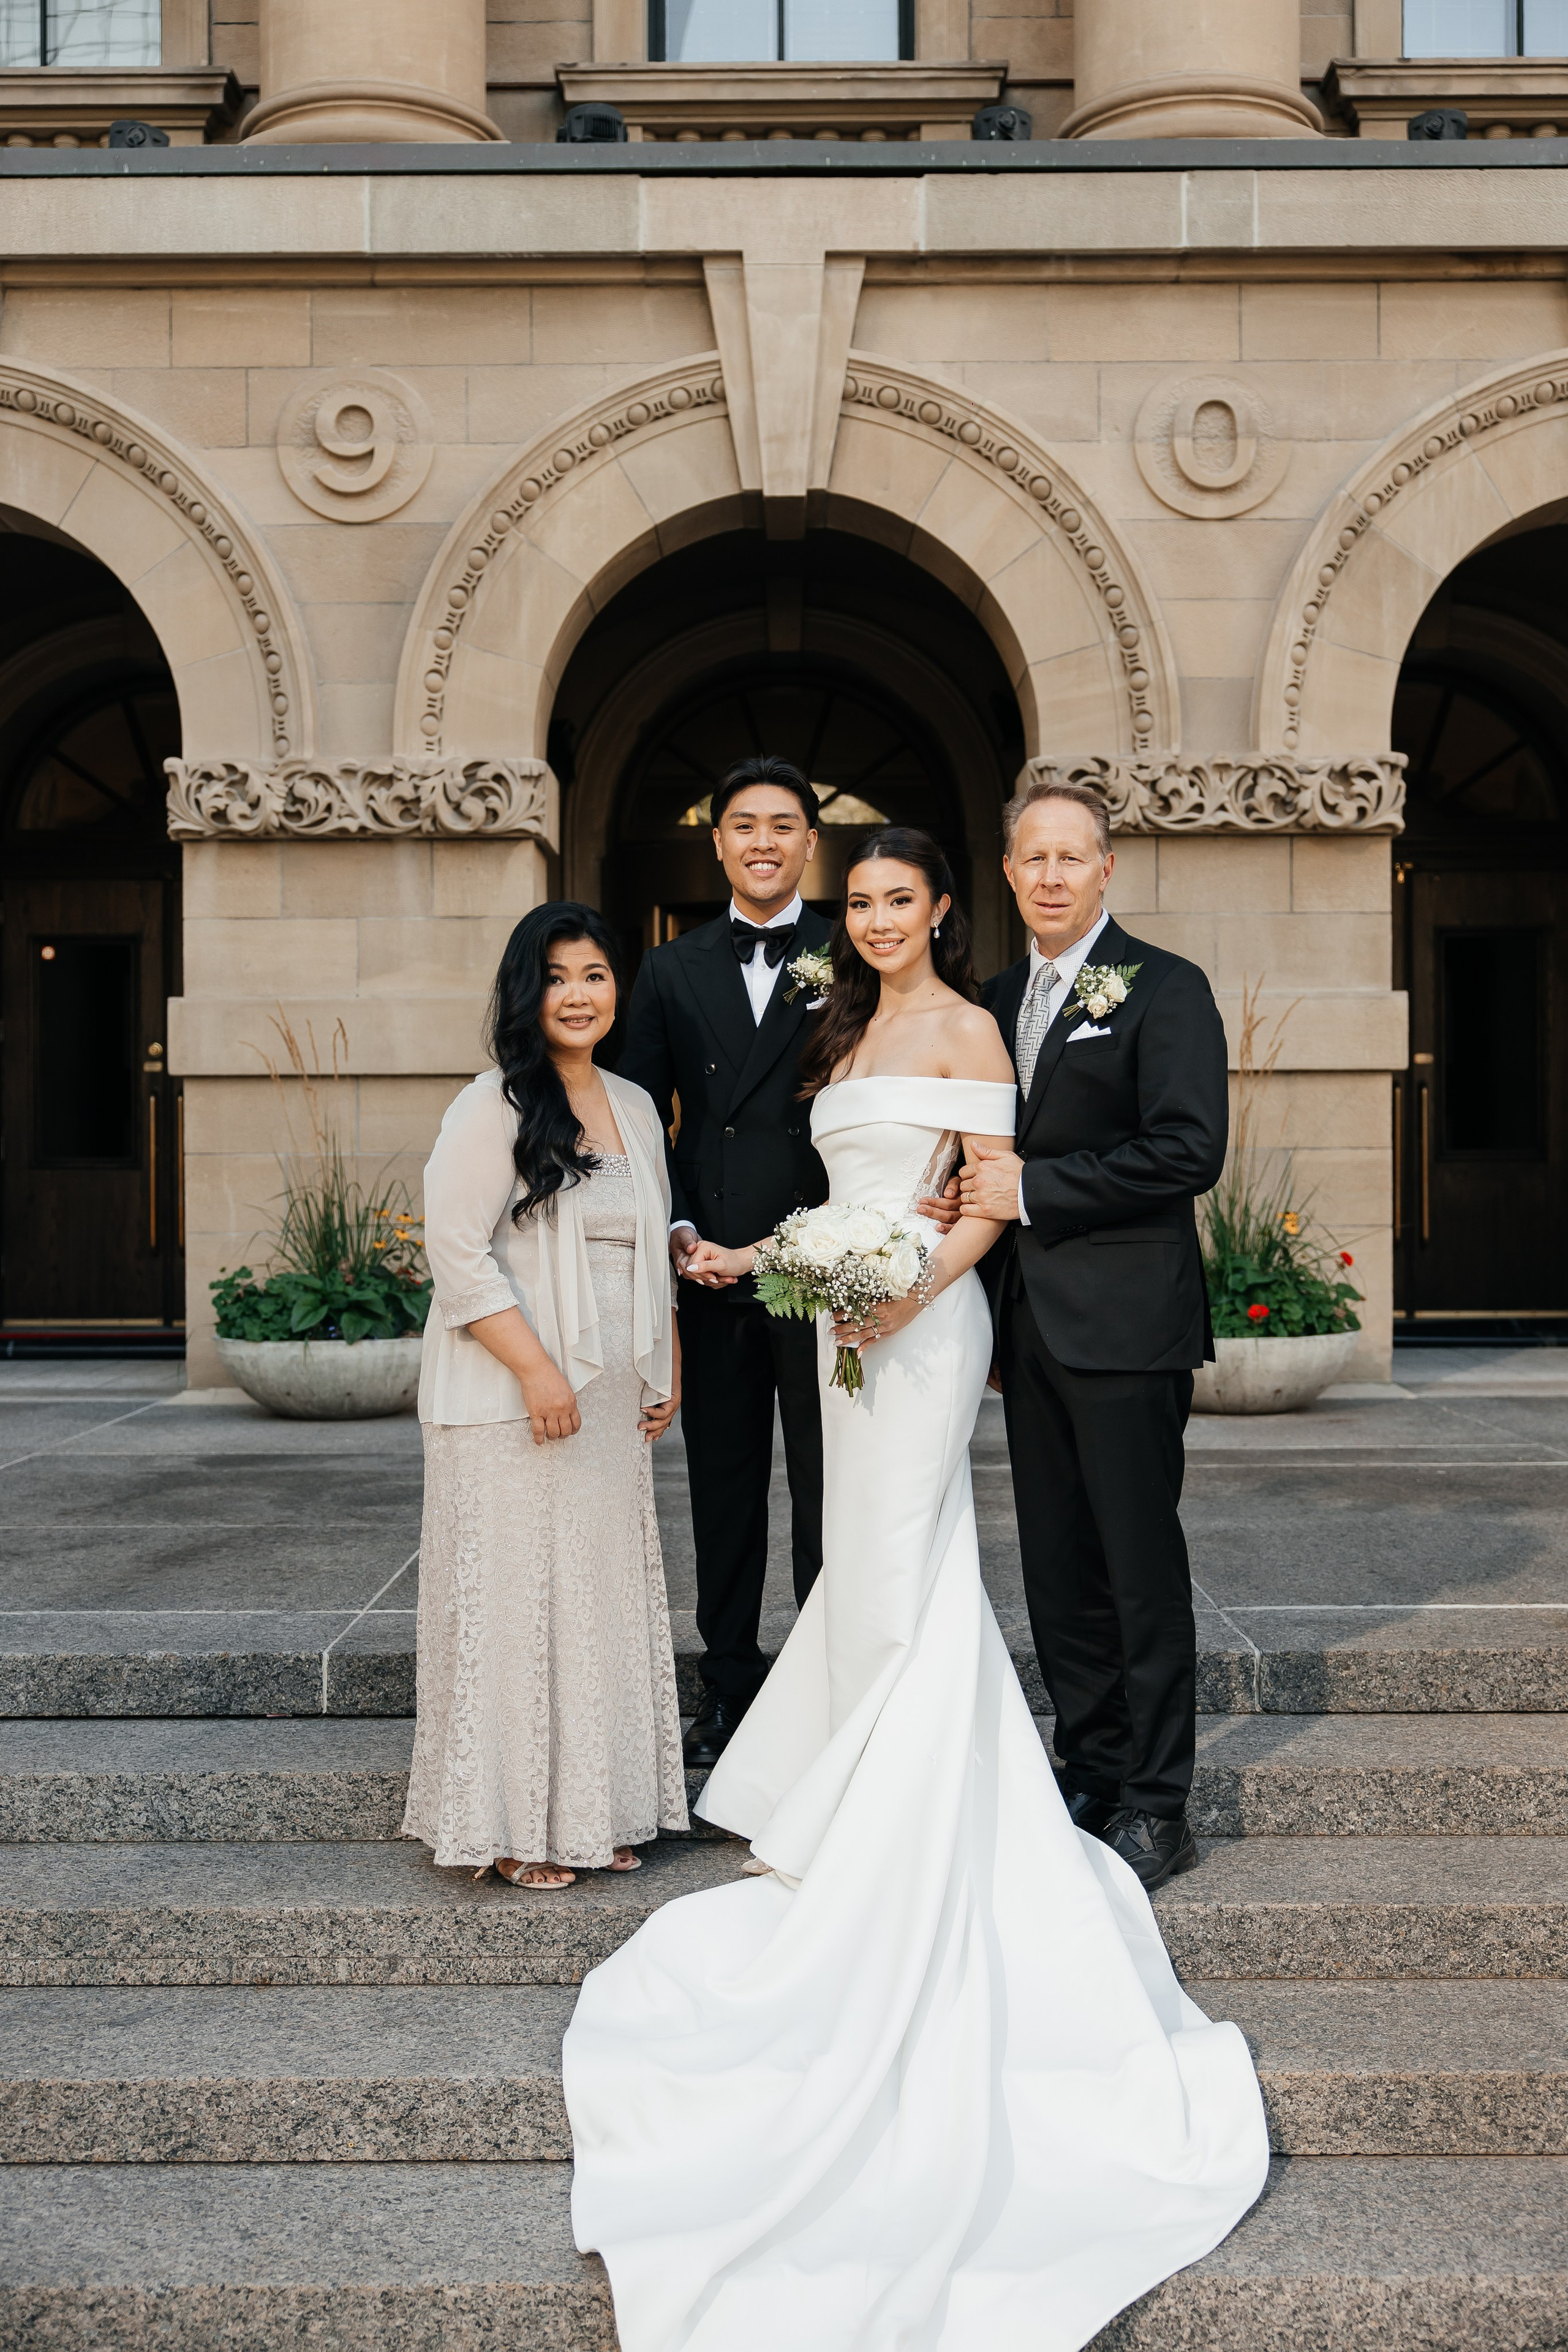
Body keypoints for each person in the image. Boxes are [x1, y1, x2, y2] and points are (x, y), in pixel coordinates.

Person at [563, 829, 1267, 2352]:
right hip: (853, 1318)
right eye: (861, 900)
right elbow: (870, 1175)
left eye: (904, 897)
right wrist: (773, 1261)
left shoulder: (1075, 1004)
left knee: (1005, 1562)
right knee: (922, 1570)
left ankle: (1110, 1798)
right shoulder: (892, 1014)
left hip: (944, 1318)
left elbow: (1015, 1188)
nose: (881, 919)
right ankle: (1006, 1775)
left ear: (947, 902)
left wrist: (908, 1289)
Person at [619, 754, 957, 1767]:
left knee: (827, 1488)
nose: (763, 842)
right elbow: (639, 1121)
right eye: (742, 825)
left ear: (813, 844)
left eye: (783, 826)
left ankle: (821, 1688)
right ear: (717, 842)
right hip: (711, 1272)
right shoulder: (669, 968)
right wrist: (680, 1234)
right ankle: (726, 1687)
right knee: (723, 1491)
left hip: (827, 1273)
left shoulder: (855, 950)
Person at [961, 777, 1229, 1893]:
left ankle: (1160, 1802)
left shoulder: (1165, 990)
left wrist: (1033, 1189)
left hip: (1126, 1327)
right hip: (1028, 1329)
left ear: (1106, 869)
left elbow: (1187, 1150)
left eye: (1074, 858)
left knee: (1136, 1566)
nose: (1053, 877)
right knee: (1060, 1568)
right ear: (1010, 871)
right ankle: (1090, 1767)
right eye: (1035, 859)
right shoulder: (989, 998)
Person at [403, 903, 688, 1892]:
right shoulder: (492, 1104)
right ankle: (515, 1826)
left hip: (610, 1400)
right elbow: (454, 1251)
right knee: (520, 1604)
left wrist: (666, 1368)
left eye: (597, 975)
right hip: (509, 1394)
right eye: (559, 976)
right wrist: (534, 1369)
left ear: (619, 990)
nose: (579, 994)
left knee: (594, 1602)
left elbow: (650, 1244)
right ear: (529, 991)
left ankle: (592, 1813)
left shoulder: (638, 1104)